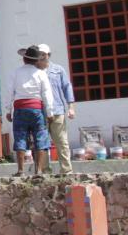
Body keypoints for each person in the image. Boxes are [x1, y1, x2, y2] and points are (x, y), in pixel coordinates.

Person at [5, 45, 55, 177]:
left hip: (20, 108)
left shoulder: (15, 73)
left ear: (24, 59)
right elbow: (47, 94)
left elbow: (10, 92)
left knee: (20, 136)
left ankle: (21, 170)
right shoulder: (41, 74)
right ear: (36, 60)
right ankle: (38, 170)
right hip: (36, 109)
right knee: (40, 136)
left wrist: (9, 110)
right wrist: (49, 112)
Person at [37, 43, 76, 174]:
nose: (42, 56)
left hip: (57, 110)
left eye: (44, 54)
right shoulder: (34, 71)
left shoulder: (58, 70)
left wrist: (71, 107)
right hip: (41, 112)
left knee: (61, 141)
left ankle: (66, 170)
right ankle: (45, 171)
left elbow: (67, 87)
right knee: (42, 143)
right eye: (40, 54)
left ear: (49, 55)